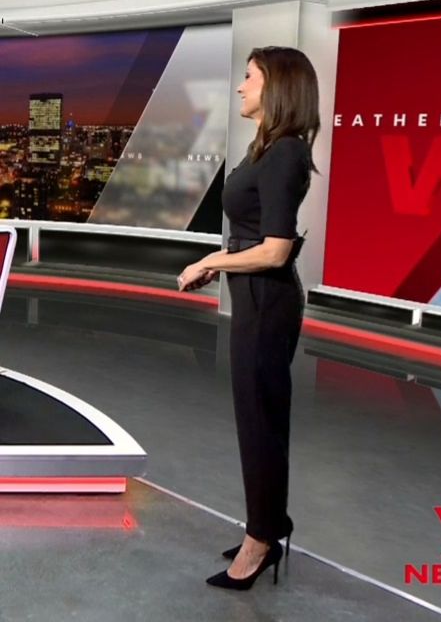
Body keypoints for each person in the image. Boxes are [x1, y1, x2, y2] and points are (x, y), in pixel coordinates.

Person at [177, 46, 320, 590]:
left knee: (260, 422)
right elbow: (253, 237)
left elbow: (276, 250)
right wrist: (223, 261)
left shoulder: (285, 153)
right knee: (256, 418)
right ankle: (267, 525)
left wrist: (211, 261)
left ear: (276, 87)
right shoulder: (267, 148)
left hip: (267, 302)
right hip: (255, 297)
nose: (240, 87)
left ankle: (261, 541)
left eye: (250, 77)